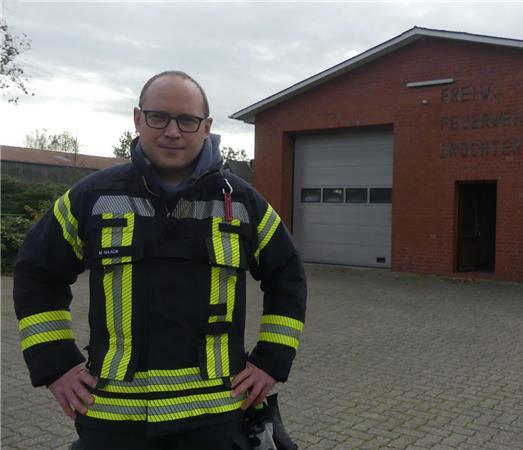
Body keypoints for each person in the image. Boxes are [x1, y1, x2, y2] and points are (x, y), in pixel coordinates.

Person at [13, 71, 307, 450]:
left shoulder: (242, 203)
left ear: (206, 127)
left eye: (187, 120)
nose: (173, 131)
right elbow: (37, 274)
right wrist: (54, 363)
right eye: (159, 117)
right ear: (138, 119)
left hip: (216, 417)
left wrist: (271, 360)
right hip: (114, 418)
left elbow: (288, 276)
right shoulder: (92, 198)